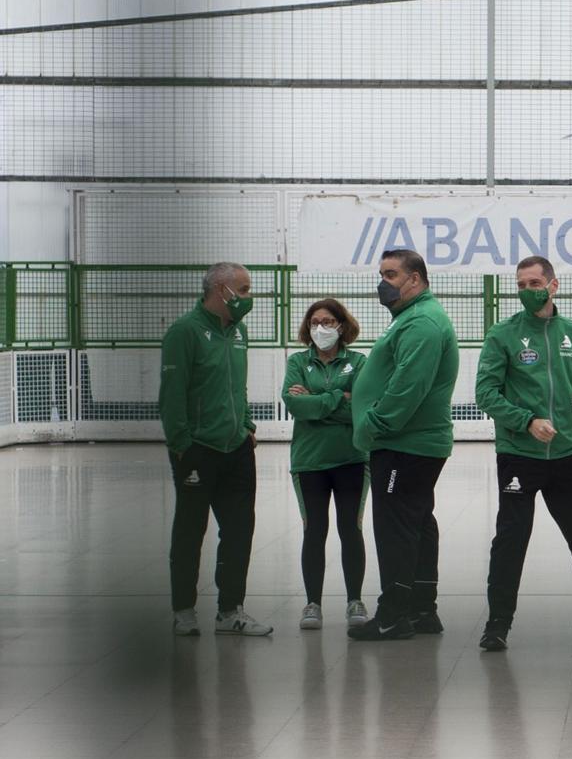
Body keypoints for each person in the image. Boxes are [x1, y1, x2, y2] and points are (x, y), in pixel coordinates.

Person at [474, 256, 572, 652]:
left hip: (564, 456)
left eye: (534, 282)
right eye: (521, 284)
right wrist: (525, 421)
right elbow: (485, 393)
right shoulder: (502, 335)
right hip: (518, 455)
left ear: (553, 285)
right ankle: (497, 624)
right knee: (511, 537)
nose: (527, 290)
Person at [349, 248, 458, 642]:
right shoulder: (411, 318)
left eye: (392, 274)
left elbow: (408, 386)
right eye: (382, 273)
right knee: (417, 522)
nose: (384, 282)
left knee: (395, 525)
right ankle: (422, 610)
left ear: (416, 279)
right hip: (411, 443)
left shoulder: (422, 322)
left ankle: (394, 614)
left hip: (404, 442)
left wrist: (375, 424)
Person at [159, 263, 270, 637]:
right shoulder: (184, 332)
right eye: (244, 288)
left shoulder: (239, 334)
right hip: (198, 450)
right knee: (190, 530)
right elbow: (172, 395)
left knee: (239, 530)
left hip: (237, 448)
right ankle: (184, 609)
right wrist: (181, 444)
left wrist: (248, 426)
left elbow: (238, 387)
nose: (248, 297)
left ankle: (230, 610)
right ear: (221, 290)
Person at [283, 298, 370, 630]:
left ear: (342, 325)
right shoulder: (298, 362)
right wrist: (338, 398)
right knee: (313, 530)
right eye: (315, 322)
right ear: (308, 327)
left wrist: (316, 401)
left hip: (351, 458)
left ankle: (354, 600)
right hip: (309, 462)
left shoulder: (360, 362)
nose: (321, 328)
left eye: (329, 321)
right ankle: (312, 604)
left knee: (351, 529)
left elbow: (361, 408)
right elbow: (294, 405)